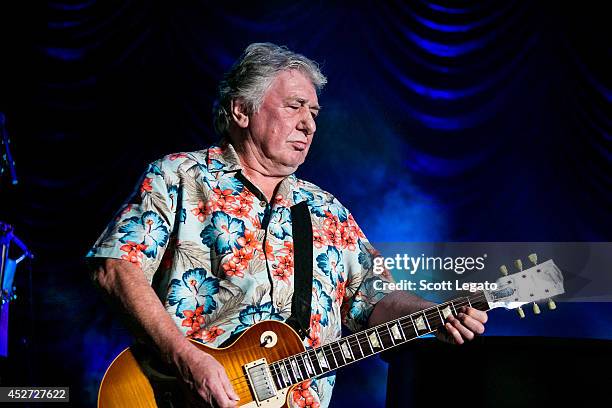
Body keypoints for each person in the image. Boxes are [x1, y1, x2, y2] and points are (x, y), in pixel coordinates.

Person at [87, 42, 487, 408]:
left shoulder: (328, 211)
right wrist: (186, 359)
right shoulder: (179, 177)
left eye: (313, 113)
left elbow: (374, 299)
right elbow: (116, 268)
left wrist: (436, 314)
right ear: (242, 110)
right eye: (295, 106)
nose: (309, 125)